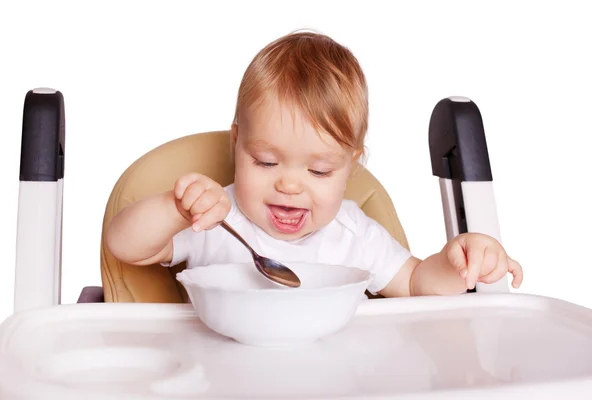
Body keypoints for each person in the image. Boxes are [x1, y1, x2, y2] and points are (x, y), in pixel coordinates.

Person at [106, 30, 523, 297]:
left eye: (320, 171)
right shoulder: (216, 217)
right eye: (266, 162)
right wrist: (176, 210)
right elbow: (124, 246)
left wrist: (460, 263)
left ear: (350, 166)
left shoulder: (353, 236)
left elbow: (417, 284)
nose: (290, 185)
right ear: (237, 144)